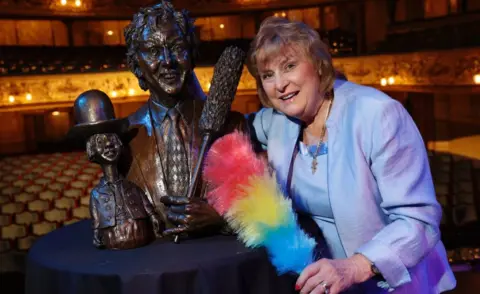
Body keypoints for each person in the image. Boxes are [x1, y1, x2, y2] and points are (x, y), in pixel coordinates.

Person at [246, 17, 456, 294]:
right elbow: (219, 127)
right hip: (332, 283)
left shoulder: (377, 115)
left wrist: (355, 266)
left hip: (395, 281)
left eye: (289, 66)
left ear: (318, 65)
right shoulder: (276, 121)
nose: (280, 84)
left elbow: (419, 222)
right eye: (268, 75)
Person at [120, 1, 246, 238]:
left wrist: (219, 218)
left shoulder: (232, 125)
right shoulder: (124, 136)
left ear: (193, 54)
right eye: (153, 51)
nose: (168, 61)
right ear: (136, 66)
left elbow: (260, 212)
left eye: (177, 47)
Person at [68, 90, 162, 250]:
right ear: (92, 151)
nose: (109, 146)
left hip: (140, 234)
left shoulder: (133, 188)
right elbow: (97, 220)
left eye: (111, 139)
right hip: (114, 239)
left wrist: (153, 216)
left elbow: (147, 207)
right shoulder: (97, 195)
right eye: (100, 142)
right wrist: (98, 231)